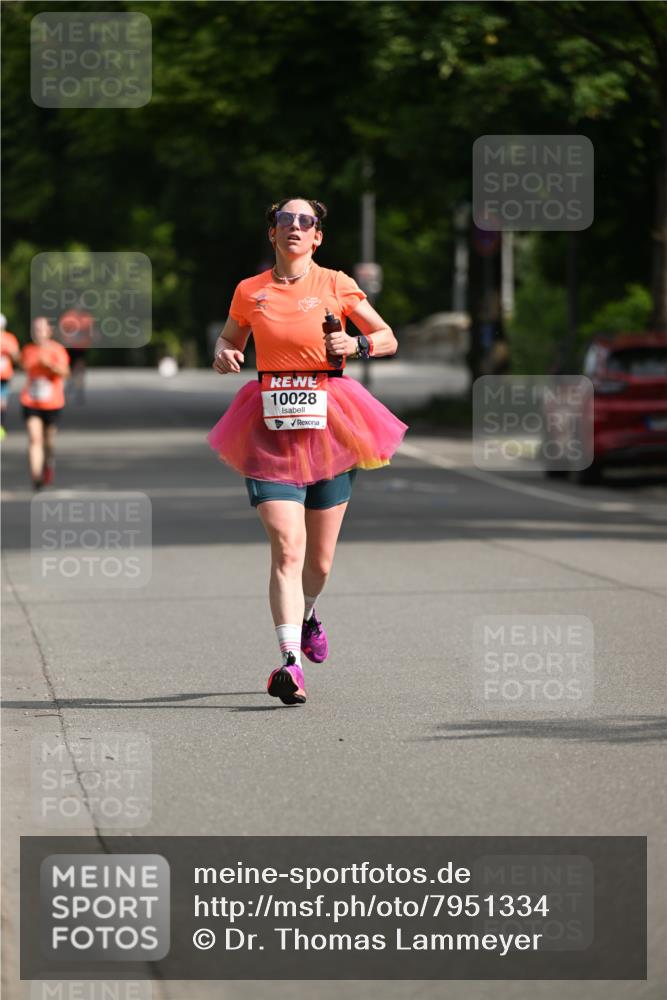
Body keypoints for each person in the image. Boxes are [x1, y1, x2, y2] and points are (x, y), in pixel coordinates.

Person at [208, 197, 408, 706]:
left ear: (317, 237)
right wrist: (226, 353)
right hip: (270, 427)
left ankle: (310, 611)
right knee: (287, 548)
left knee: (317, 562)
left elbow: (386, 337)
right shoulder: (249, 291)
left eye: (305, 222)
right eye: (284, 220)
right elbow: (230, 339)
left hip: (332, 423)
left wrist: (357, 347)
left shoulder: (336, 284)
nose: (294, 227)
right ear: (271, 233)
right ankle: (290, 664)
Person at [20, 317, 70, 489]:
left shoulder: (57, 350)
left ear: (49, 331)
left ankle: (48, 464)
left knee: (48, 441)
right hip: (31, 400)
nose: (38, 333)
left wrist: (50, 366)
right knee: (35, 439)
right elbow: (23, 365)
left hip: (52, 403)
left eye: (41, 329)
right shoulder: (28, 350)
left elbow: (65, 372)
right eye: (35, 330)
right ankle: (36, 476)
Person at [58, 304, 94, 403]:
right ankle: (70, 385)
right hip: (70, 347)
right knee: (70, 369)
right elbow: (62, 331)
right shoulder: (68, 316)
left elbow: (91, 332)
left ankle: (78, 390)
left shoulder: (87, 318)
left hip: (81, 348)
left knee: (79, 369)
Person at [0, 313, 20, 438]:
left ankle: (1, 426)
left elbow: (18, 357)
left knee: (2, 403)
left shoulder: (10, 338)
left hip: (4, 376)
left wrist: (11, 352)